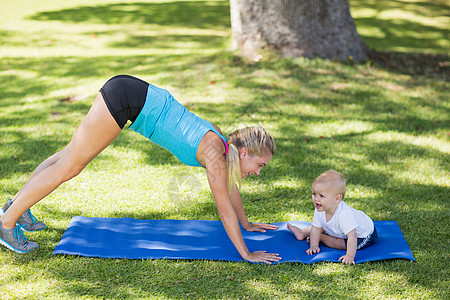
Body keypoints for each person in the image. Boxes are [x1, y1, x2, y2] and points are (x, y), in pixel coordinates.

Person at [0, 75, 281, 264]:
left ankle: (19, 207)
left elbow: (231, 189)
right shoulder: (215, 156)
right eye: (260, 165)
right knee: (70, 165)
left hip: (132, 94)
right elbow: (223, 210)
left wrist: (246, 224)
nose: (258, 172)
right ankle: (7, 223)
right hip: (128, 101)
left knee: (67, 157)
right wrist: (246, 253)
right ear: (244, 153)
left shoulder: (222, 144)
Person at [287, 170, 377, 265]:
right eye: (314, 194)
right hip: (340, 228)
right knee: (319, 226)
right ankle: (303, 232)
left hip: (363, 235)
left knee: (338, 243)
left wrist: (349, 256)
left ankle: (322, 237)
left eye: (321, 196)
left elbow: (352, 236)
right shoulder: (320, 207)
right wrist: (314, 245)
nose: (316, 199)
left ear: (337, 198)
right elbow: (316, 228)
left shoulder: (344, 215)